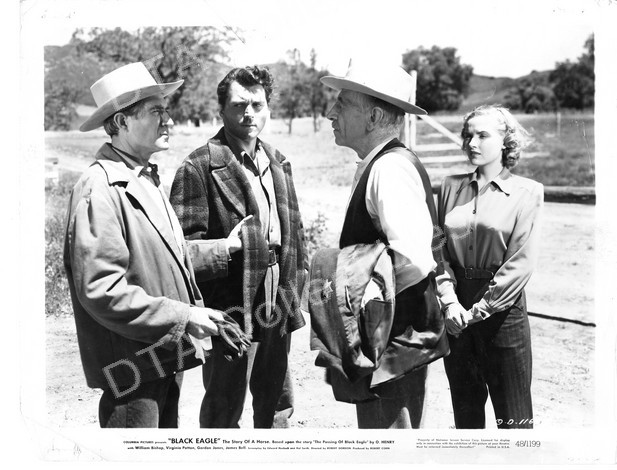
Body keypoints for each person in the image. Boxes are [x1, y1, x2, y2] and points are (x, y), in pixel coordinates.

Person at [63, 62, 250, 428]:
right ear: (121, 122)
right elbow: (101, 290)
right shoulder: (99, 188)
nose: (169, 120)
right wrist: (185, 315)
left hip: (160, 357)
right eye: (156, 111)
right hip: (133, 372)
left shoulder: (143, 178)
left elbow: (163, 256)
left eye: (166, 110)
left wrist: (224, 248)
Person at [169, 65, 307, 429]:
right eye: (239, 105)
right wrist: (227, 248)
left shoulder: (278, 162)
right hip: (230, 299)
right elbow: (180, 252)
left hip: (278, 292)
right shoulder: (199, 167)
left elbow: (296, 231)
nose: (249, 114)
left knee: (277, 395)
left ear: (268, 108)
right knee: (224, 400)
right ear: (221, 110)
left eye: (257, 105)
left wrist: (299, 283)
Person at [318, 61, 449, 429]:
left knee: (390, 445)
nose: (331, 113)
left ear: (374, 116)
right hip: (386, 341)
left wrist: (356, 300)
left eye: (342, 103)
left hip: (393, 345)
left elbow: (413, 259)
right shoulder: (379, 164)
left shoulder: (390, 169)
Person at [436, 104, 543, 429]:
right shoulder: (449, 187)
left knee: (514, 421)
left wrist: (480, 310)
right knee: (466, 417)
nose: (472, 143)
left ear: (506, 141)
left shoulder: (527, 192)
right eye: (468, 135)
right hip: (456, 312)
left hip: (503, 313)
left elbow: (520, 263)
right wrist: (449, 302)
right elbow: (438, 250)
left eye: (482, 135)